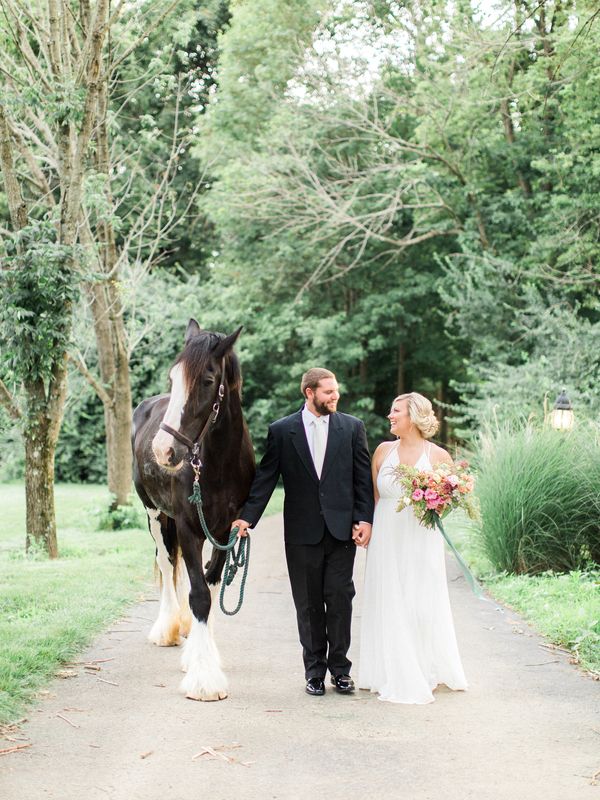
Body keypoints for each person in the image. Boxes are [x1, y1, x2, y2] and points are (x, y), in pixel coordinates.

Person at [231, 368, 374, 696]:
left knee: (340, 599)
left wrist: (364, 519)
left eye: (335, 391)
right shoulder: (282, 431)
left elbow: (362, 479)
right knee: (308, 603)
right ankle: (314, 672)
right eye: (327, 392)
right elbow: (266, 478)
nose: (334, 396)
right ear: (309, 393)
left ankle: (340, 669)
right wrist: (247, 518)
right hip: (301, 532)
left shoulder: (352, 428)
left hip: (342, 531)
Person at [358, 392, 468, 704]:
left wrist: (433, 500)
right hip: (387, 537)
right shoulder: (382, 451)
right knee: (388, 596)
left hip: (421, 536)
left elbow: (448, 503)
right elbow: (375, 498)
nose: (390, 416)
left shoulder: (438, 456)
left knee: (420, 600)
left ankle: (423, 667)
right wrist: (367, 529)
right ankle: (386, 668)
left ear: (414, 417)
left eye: (396, 412)